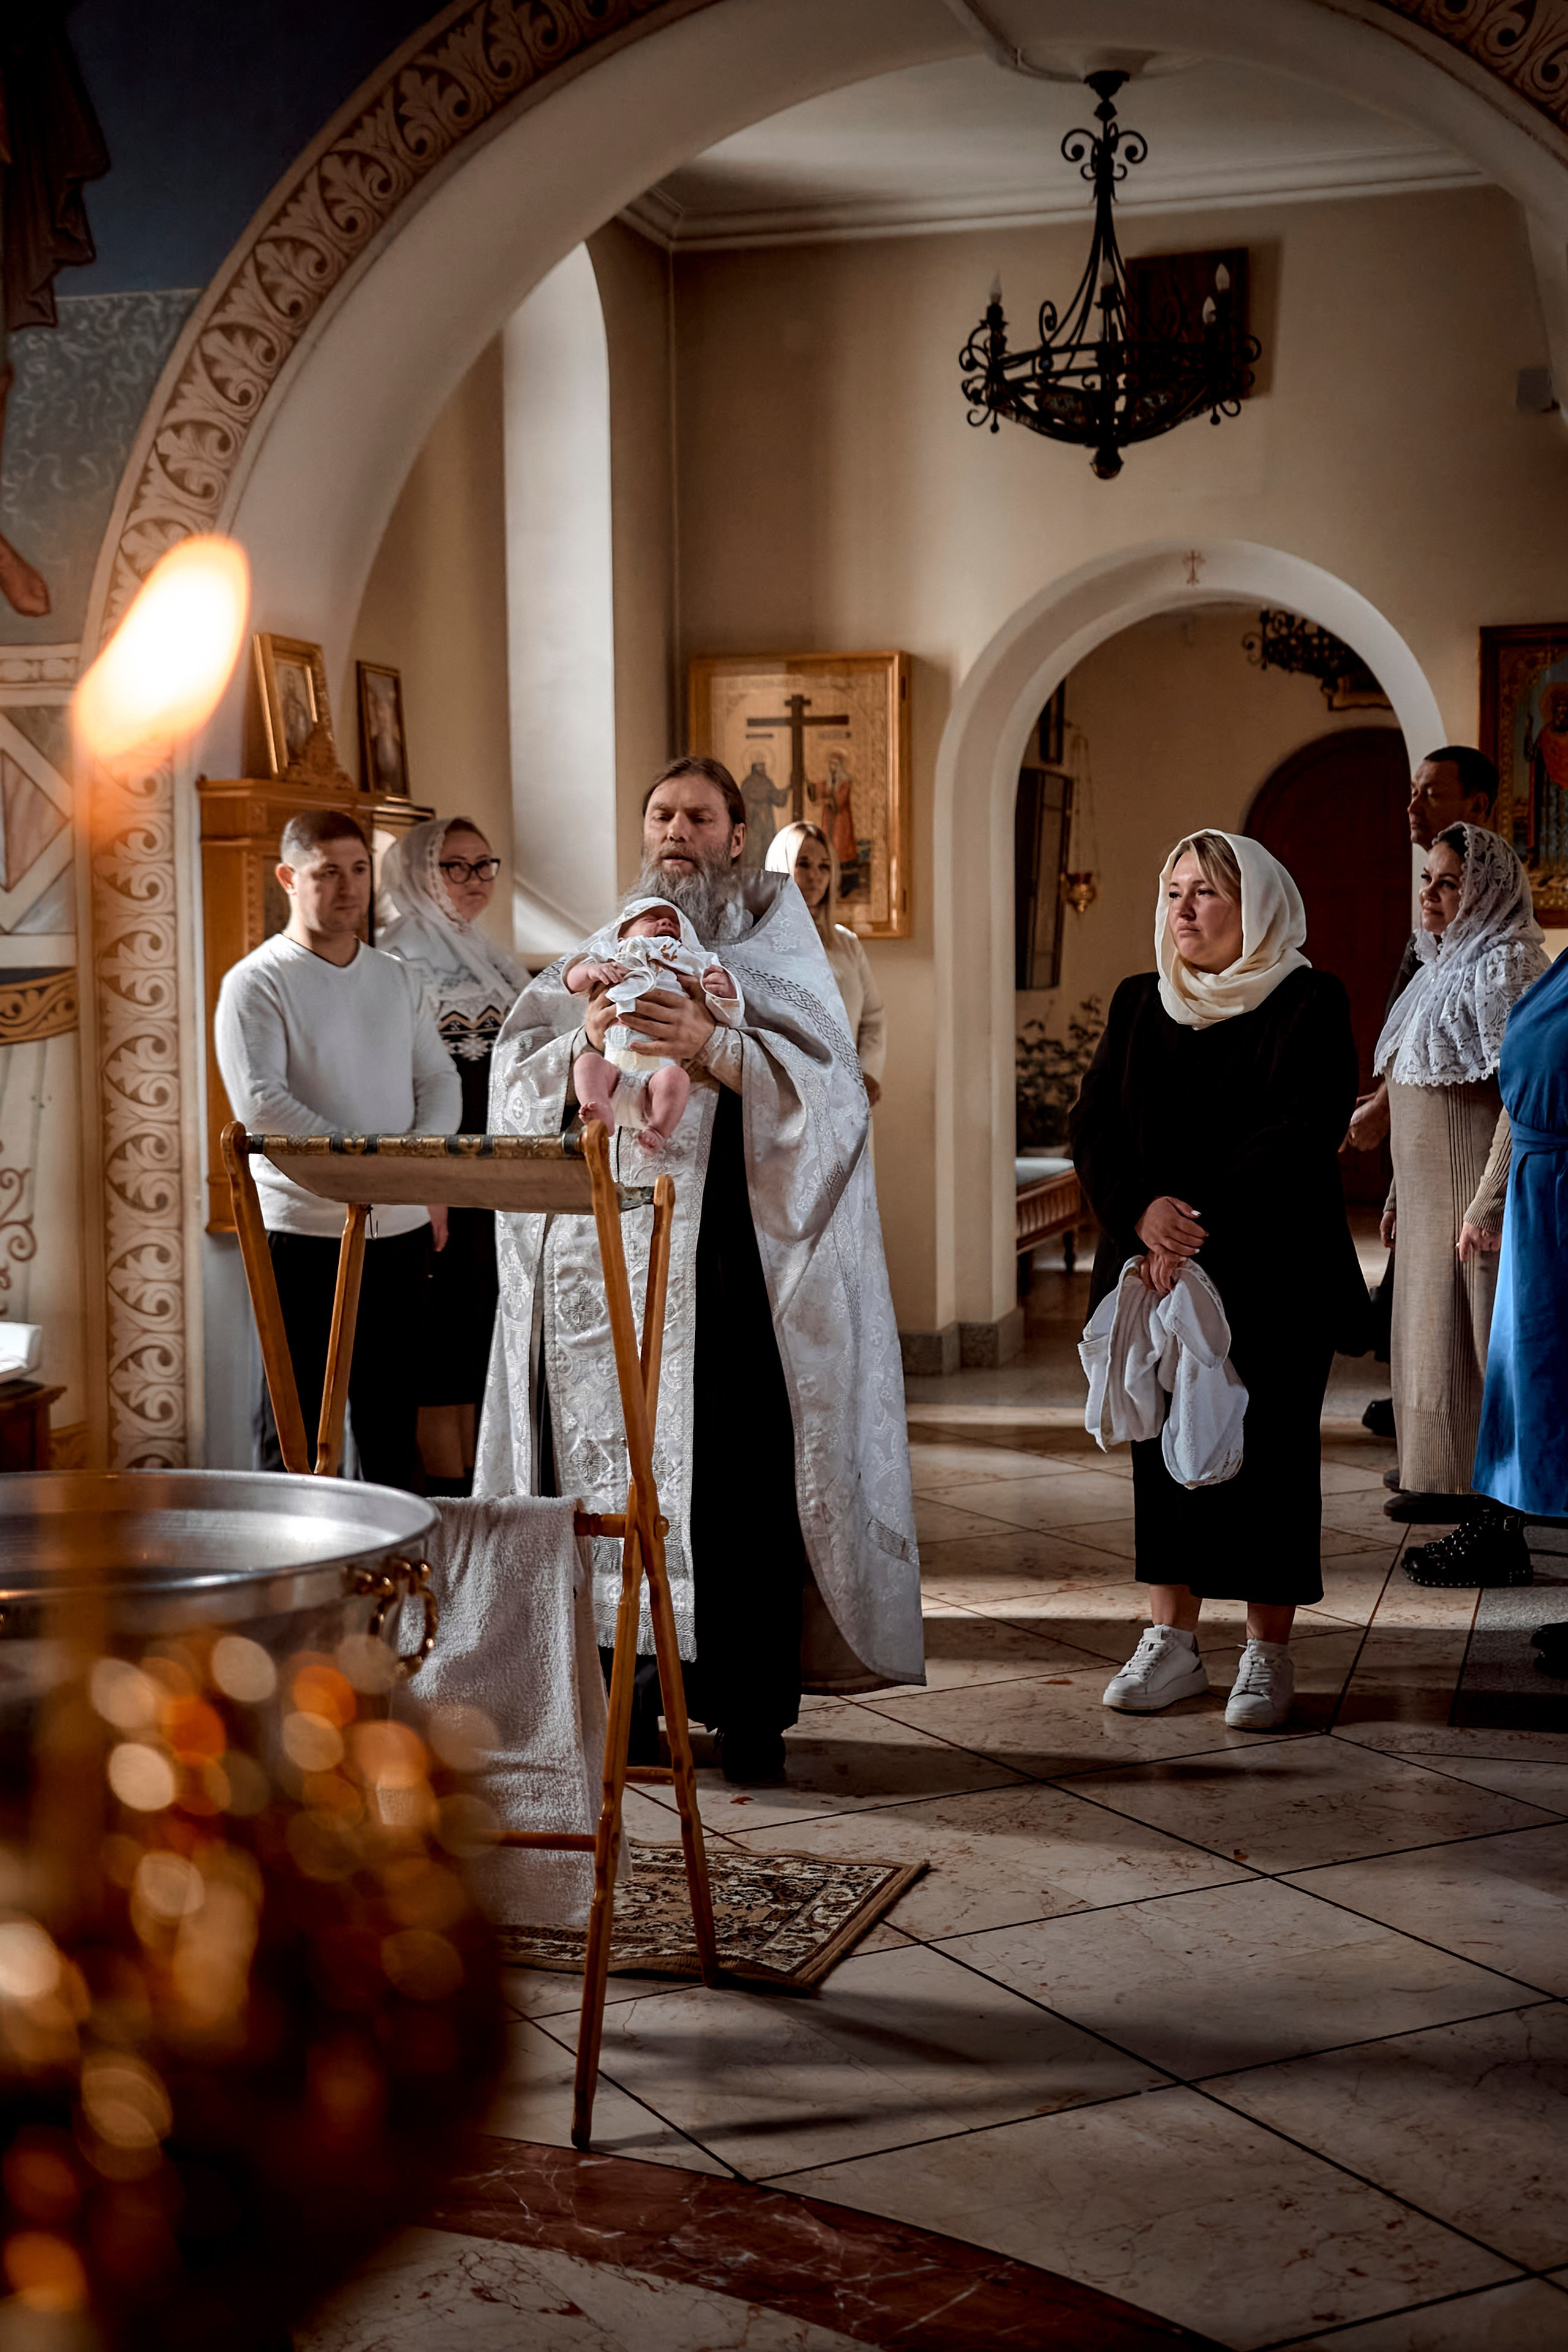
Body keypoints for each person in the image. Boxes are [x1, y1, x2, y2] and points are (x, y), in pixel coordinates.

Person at [474, 754, 923, 1783]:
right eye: (663, 814)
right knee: (606, 1484)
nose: (679, 830)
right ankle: (627, 1711)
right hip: (607, 1285)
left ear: (734, 834)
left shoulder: (779, 951)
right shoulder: (608, 944)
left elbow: (837, 1101)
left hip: (732, 1273)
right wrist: (583, 1038)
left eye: (701, 816)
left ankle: (748, 1715)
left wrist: (718, 1045)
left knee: (734, 1488)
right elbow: (518, 1087)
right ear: (645, 832)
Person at [1070, 831, 1364, 1731]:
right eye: (1173, 893)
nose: (1184, 910)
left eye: (1206, 894)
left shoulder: (1308, 1001)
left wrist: (1190, 1227)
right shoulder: (1138, 1003)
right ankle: (1173, 1642)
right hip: (1149, 1265)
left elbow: (1300, 1130)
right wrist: (1140, 1212)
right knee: (1163, 1453)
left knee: (1270, 1452)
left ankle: (1266, 1652)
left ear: (1258, 909)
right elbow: (1096, 1130)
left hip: (1269, 1268)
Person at [216, 809, 461, 1491]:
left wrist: (411, 1168)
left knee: (388, 1425)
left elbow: (436, 1077)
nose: (349, 887)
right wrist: (369, 1175)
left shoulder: (397, 978)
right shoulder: (255, 983)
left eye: (359, 871)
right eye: (329, 873)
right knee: (294, 1428)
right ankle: (290, 1583)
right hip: (302, 1232)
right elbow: (263, 1105)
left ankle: (390, 1589)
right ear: (289, 878)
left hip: (400, 1230)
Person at [1374, 826, 1547, 1525]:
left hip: (1473, 1190)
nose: (1431, 895)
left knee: (1475, 1340)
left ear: (1487, 891)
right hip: (1423, 1193)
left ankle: (1488, 1489)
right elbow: (1416, 1087)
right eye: (1427, 880)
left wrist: (1489, 1199)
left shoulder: (1506, 966)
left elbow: (1521, 1092)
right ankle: (1434, 1471)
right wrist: (1393, 1191)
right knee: (1425, 1336)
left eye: (1450, 883)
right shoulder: (1437, 967)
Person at [1402, 944, 1568, 1593]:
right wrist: (1491, 1197)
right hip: (1539, 1194)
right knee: (1524, 1381)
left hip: (1559, 1193)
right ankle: (1500, 1528)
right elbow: (1519, 1093)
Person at [377, 815, 526, 1495]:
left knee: (481, 1320)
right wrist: (423, 1180)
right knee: (440, 1329)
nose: (473, 881)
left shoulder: (486, 951)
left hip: (492, 1167)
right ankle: (444, 1493)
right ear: (418, 873)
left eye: (483, 865)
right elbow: (402, 1079)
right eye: (455, 867)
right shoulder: (399, 957)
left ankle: (480, 1483)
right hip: (441, 1165)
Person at [565, 899, 742, 1151]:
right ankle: (600, 1107)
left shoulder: (687, 958)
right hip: (614, 1069)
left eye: (674, 923)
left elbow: (728, 1013)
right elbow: (572, 980)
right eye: (650, 919)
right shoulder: (614, 953)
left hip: (659, 1076)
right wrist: (593, 970)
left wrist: (724, 990)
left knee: (676, 1079)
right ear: (621, 935)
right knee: (586, 1063)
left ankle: (658, 1130)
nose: (666, 922)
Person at [764, 820, 887, 1106]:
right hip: (790, 1096)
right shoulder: (762, 945)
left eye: (824, 866)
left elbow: (873, 1018)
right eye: (803, 864)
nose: (815, 877)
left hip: (849, 1095)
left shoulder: (847, 943)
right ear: (782, 867)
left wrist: (868, 1072)